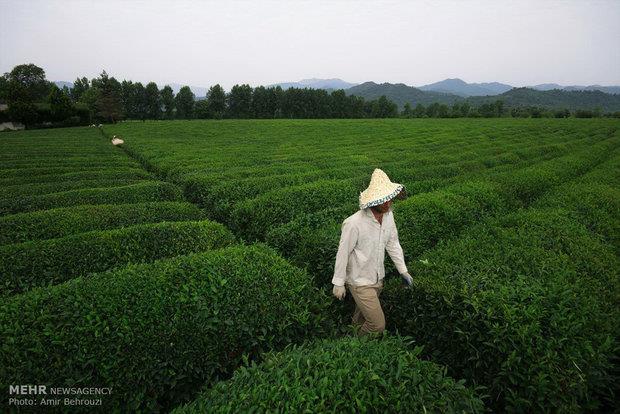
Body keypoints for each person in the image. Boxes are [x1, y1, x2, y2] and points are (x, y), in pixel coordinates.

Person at [332, 168, 412, 335]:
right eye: (384, 200)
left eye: (389, 199)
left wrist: (403, 271)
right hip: (360, 281)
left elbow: (393, 244)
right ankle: (354, 346)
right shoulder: (354, 223)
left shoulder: (389, 216)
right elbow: (343, 252)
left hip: (377, 278)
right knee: (377, 325)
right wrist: (338, 283)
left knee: (361, 319)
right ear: (373, 200)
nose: (388, 204)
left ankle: (351, 341)